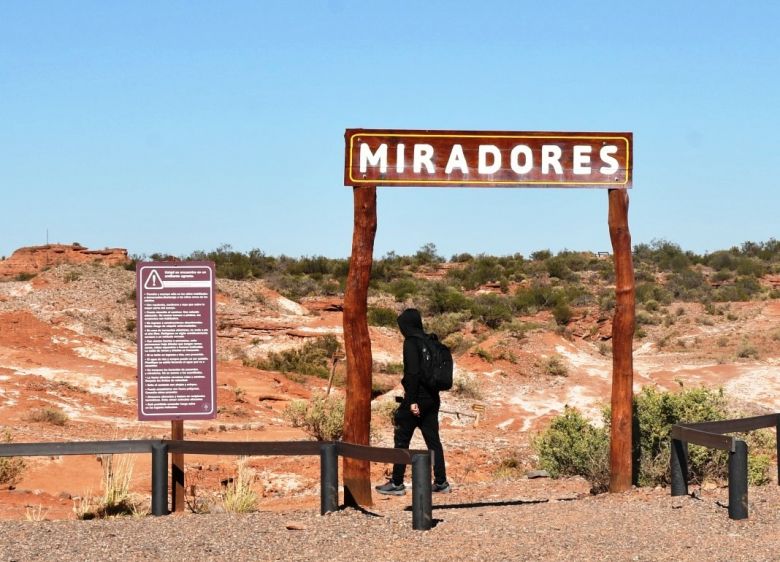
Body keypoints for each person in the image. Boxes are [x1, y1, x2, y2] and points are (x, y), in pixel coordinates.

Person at [375, 308, 450, 495]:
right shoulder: (431, 341)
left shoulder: (411, 342)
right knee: (433, 441)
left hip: (417, 398)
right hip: (433, 398)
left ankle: (397, 483)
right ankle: (441, 482)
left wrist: (412, 401)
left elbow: (413, 373)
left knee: (402, 439)